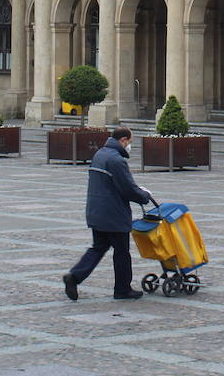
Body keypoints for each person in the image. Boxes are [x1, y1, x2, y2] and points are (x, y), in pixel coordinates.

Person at [62, 127, 155, 301]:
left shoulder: (100, 154)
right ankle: (122, 289)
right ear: (123, 140)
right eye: (130, 142)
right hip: (113, 214)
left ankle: (74, 276)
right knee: (122, 252)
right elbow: (127, 189)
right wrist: (145, 196)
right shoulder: (116, 160)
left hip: (96, 211)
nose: (130, 146)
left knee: (98, 247)